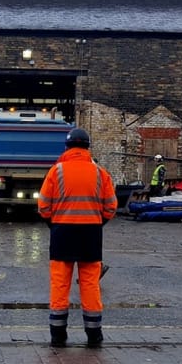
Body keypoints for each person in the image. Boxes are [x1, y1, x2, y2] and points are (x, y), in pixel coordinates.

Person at [37, 127, 117, 347]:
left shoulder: (57, 171)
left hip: (62, 233)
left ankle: (58, 335)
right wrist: (98, 222)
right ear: (87, 148)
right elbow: (111, 206)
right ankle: (94, 335)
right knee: (90, 284)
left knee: (60, 284)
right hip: (90, 235)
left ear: (67, 147)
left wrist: (53, 224)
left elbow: (43, 205)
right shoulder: (100, 173)